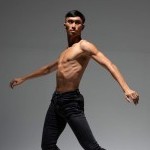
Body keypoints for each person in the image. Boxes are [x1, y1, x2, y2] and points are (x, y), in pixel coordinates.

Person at [10, 10, 139, 150]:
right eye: (70, 22)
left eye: (77, 22)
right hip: (56, 102)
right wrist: (23, 78)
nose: (73, 25)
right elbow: (47, 68)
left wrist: (126, 88)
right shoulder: (65, 51)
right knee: (47, 145)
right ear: (64, 24)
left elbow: (109, 65)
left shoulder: (84, 46)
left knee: (92, 147)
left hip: (71, 102)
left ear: (82, 27)